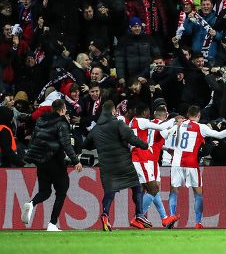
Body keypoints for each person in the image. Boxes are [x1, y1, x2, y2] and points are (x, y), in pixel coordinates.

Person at [162, 105, 226, 228]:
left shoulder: (178, 124)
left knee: (174, 190)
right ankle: (198, 222)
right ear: (198, 116)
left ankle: (171, 215)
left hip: (176, 162)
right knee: (198, 193)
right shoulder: (200, 127)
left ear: (188, 115)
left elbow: (167, 137)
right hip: (191, 164)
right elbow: (219, 135)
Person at [83, 101, 153, 231]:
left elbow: (86, 144)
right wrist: (146, 146)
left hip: (107, 167)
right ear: (113, 111)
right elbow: (131, 138)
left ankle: (105, 214)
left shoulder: (96, 129)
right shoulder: (118, 124)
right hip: (123, 163)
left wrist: (99, 143)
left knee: (110, 191)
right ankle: (139, 215)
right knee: (136, 187)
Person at [21, 99, 83, 231]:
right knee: (62, 190)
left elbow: (34, 139)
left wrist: (30, 157)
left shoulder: (41, 120)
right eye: (65, 109)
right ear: (61, 110)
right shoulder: (62, 123)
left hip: (41, 161)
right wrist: (76, 161)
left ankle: (31, 204)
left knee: (45, 191)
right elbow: (66, 143)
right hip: (55, 160)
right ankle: (52, 224)